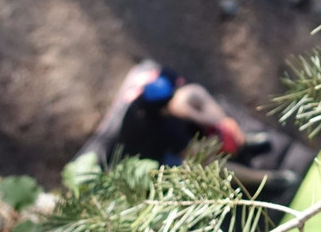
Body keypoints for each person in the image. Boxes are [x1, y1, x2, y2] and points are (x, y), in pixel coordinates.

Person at [116, 67, 296, 191]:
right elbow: (194, 152)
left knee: (192, 94)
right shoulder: (160, 128)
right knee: (208, 165)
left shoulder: (163, 80)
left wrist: (221, 124)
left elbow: (188, 92)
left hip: (177, 129)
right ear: (164, 109)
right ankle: (263, 179)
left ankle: (238, 139)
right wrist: (218, 143)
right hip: (161, 159)